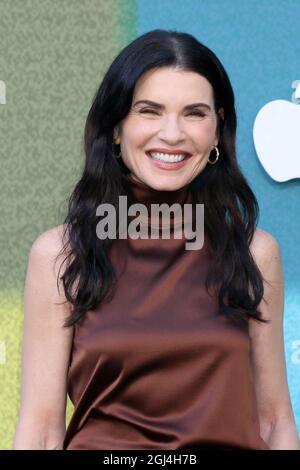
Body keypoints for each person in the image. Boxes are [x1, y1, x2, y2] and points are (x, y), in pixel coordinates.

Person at [13, 29, 299, 450]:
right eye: (149, 111)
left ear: (217, 131)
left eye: (194, 113)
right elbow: (40, 431)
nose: (172, 134)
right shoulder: (60, 255)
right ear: (115, 128)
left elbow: (274, 421)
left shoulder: (255, 253)